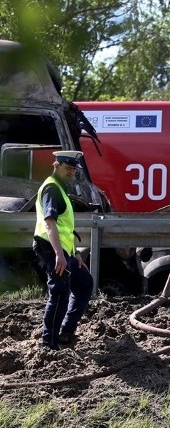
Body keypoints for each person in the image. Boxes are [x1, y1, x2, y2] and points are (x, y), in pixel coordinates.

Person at [32, 150, 93, 350]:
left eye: (74, 169)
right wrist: (59, 255)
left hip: (63, 250)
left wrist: (74, 253)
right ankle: (49, 345)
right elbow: (50, 224)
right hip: (51, 249)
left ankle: (66, 331)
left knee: (84, 282)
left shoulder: (60, 187)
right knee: (59, 294)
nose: (71, 172)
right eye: (68, 168)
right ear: (56, 165)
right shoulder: (52, 188)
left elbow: (64, 228)